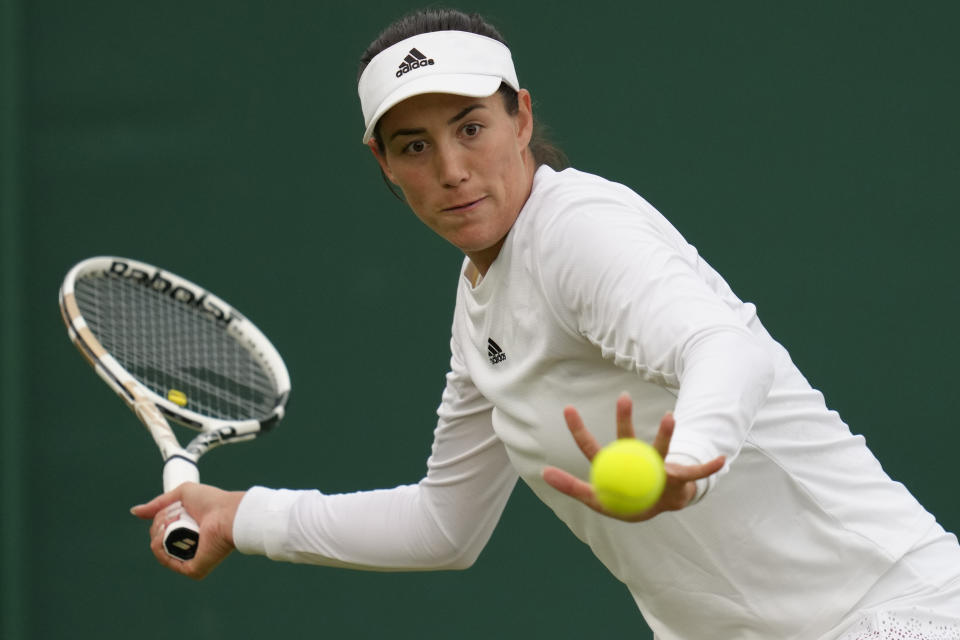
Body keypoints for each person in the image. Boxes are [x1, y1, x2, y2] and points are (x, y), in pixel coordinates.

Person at [132, 9, 960, 639]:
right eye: (414, 147)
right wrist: (240, 517)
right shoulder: (480, 310)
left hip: (895, 612)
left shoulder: (579, 229)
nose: (453, 170)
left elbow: (724, 346)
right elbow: (443, 525)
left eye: (472, 129)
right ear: (382, 165)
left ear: (521, 118)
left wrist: (688, 465)